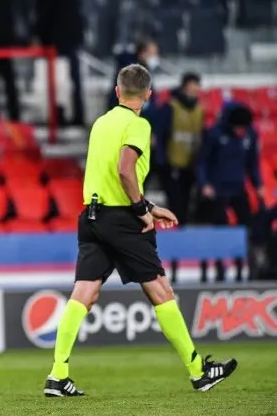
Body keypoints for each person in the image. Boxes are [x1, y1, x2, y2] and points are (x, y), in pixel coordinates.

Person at [44, 64, 237, 398]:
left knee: (84, 293)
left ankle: (58, 375)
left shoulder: (101, 123)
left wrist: (145, 205)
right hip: (122, 220)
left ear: (117, 91)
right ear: (148, 94)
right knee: (161, 290)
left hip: (91, 217)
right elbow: (124, 169)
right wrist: (141, 209)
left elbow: (109, 175)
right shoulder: (138, 124)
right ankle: (198, 372)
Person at [197, 101, 267, 277]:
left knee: (246, 226)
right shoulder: (214, 133)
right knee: (220, 228)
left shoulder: (250, 135)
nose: (240, 132)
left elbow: (252, 164)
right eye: (238, 128)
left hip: (238, 188)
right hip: (217, 189)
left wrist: (258, 185)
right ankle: (220, 267)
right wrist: (204, 184)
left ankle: (247, 266)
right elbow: (202, 162)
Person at [34, 0, 86, 126]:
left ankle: (59, 115)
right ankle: (78, 113)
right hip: (72, 32)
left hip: (54, 35)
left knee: (57, 79)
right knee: (73, 77)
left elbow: (44, 10)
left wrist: (37, 32)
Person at [154, 73, 204, 224]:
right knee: (176, 203)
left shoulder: (199, 110)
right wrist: (162, 162)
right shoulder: (170, 108)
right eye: (191, 88)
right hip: (172, 164)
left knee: (187, 202)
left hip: (190, 164)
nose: (193, 91)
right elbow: (160, 135)